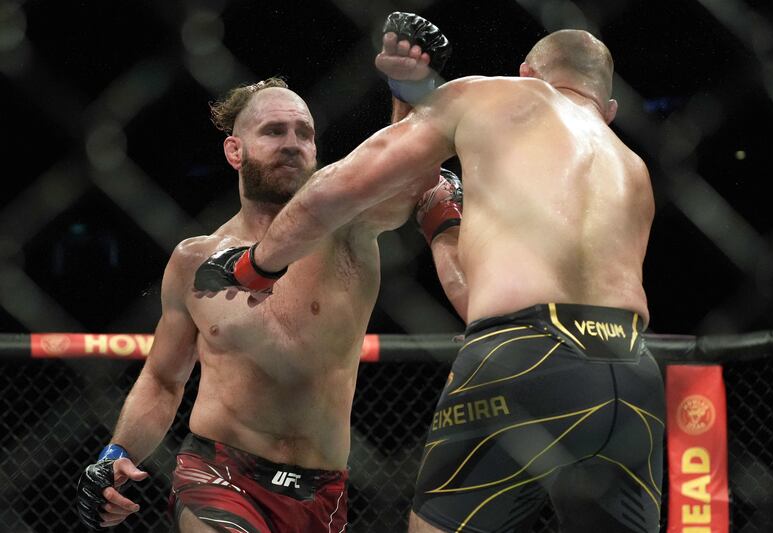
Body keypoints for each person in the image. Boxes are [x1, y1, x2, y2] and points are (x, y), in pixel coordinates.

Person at [194, 27, 665, 533]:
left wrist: (256, 264)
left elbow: (348, 185)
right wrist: (441, 216)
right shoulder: (632, 167)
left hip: (525, 351)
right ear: (609, 107)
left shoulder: (492, 94)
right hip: (633, 372)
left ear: (527, 74)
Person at [76, 14, 462, 531]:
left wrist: (408, 89)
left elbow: (406, 171)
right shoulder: (195, 260)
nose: (292, 143)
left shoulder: (346, 226)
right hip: (219, 474)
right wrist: (116, 451)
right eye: (274, 131)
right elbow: (164, 380)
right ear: (235, 150)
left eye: (304, 133)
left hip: (324, 491)